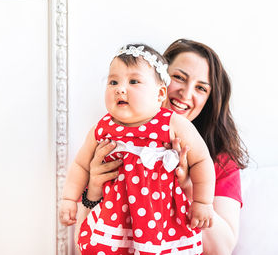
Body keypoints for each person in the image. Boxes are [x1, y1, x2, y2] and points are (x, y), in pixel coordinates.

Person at [81, 39, 249, 255]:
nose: (186, 94)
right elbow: (84, 242)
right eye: (178, 78)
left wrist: (190, 189)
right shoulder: (114, 141)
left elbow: (221, 249)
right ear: (156, 78)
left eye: (200, 88)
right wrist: (93, 190)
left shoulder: (218, 160)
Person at [59, 43, 216, 254]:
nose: (120, 88)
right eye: (113, 81)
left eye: (134, 81)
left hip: (160, 219)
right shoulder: (103, 128)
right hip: (115, 216)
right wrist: (69, 198)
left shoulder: (171, 123)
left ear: (160, 94)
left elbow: (201, 160)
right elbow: (80, 164)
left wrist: (202, 202)